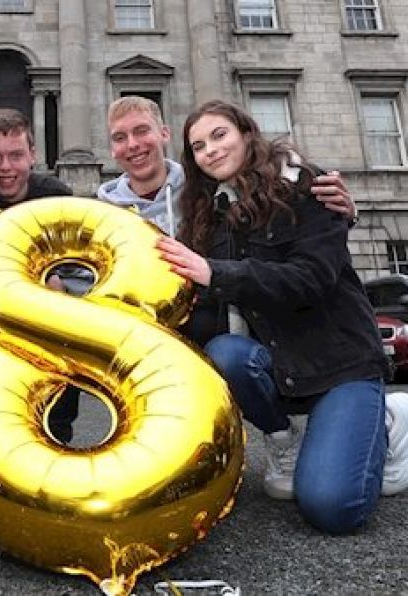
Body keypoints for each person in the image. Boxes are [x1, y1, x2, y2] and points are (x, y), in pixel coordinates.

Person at [156, 99, 408, 534]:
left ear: (246, 133)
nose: (210, 150)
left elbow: (311, 278)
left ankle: (390, 422)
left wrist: (214, 272)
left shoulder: (307, 187)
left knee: (331, 509)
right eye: (198, 146)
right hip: (283, 371)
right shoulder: (208, 215)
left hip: (339, 365)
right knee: (225, 352)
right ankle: (285, 437)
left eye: (220, 135)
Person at [0, 108, 80, 443]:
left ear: (33, 155)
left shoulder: (56, 195)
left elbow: (70, 261)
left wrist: (54, 280)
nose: (6, 168)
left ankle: (58, 434)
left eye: (15, 156)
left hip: (48, 312)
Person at [97, 96, 357, 235]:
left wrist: (343, 214)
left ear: (164, 134)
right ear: (111, 149)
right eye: (120, 138)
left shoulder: (207, 190)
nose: (132, 144)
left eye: (142, 131)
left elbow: (270, 209)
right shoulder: (100, 213)